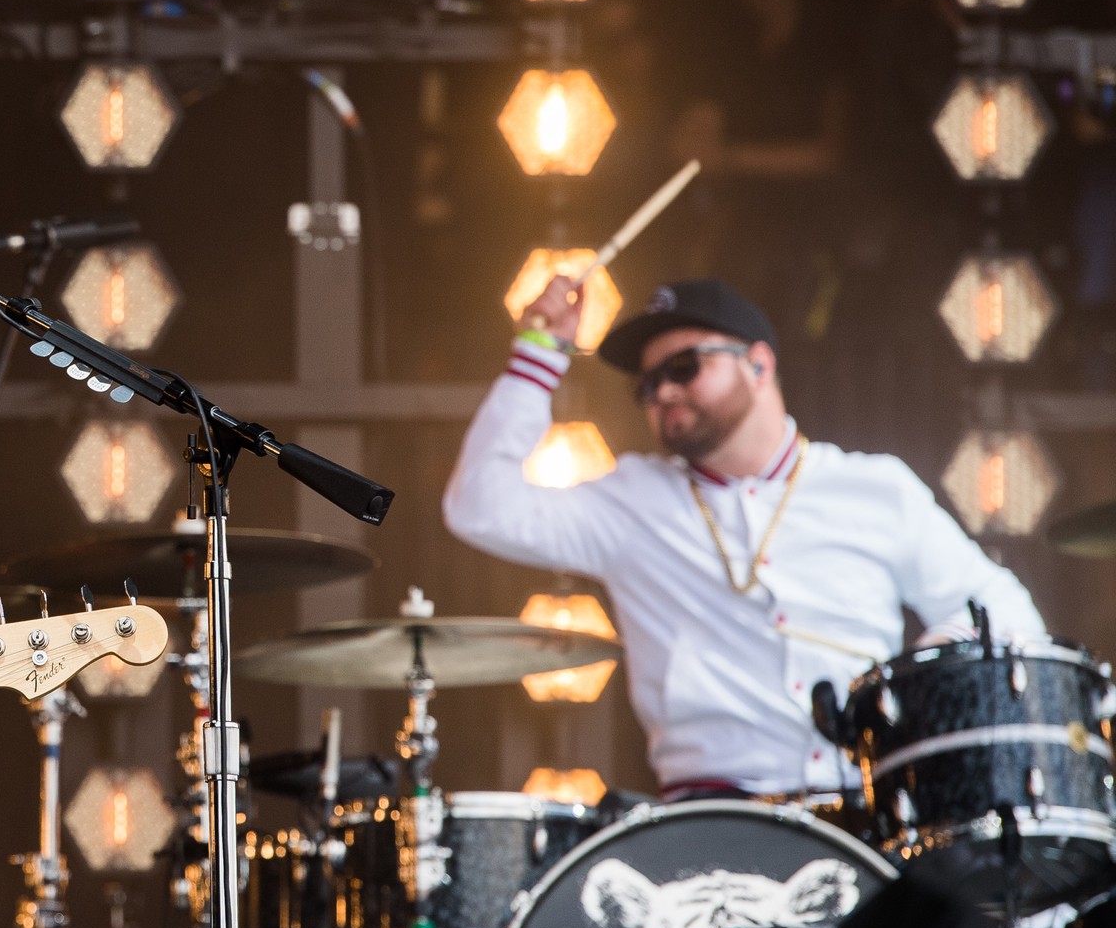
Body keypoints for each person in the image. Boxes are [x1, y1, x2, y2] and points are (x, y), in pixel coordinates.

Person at [442, 275, 1044, 800]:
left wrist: (923, 666)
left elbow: (1007, 612)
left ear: (758, 364)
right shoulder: (632, 501)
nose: (664, 392)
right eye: (646, 386)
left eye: (684, 368)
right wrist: (539, 353)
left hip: (868, 807)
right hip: (713, 818)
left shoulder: (875, 488)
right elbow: (479, 507)